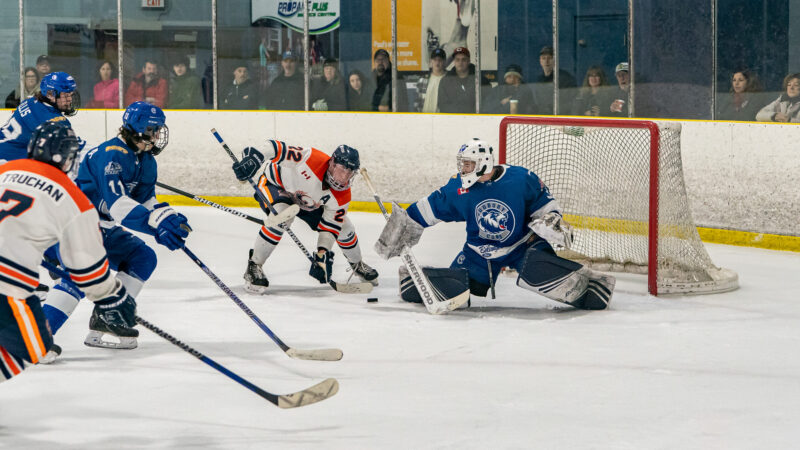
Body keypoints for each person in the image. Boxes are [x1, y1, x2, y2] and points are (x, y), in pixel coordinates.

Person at [379, 139, 615, 311]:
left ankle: (592, 285)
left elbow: (544, 205)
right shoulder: (459, 189)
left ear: (483, 163)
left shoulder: (521, 179)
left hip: (522, 245)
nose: (463, 169)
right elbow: (429, 207)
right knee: (456, 290)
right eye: (463, 164)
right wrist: (402, 225)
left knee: (540, 273)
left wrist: (551, 220)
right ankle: (415, 278)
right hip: (479, 253)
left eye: (469, 164)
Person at [41, 101, 191, 352]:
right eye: (154, 129)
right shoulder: (111, 153)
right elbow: (119, 206)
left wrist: (168, 218)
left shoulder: (146, 161)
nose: (158, 135)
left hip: (98, 226)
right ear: (140, 129)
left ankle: (108, 317)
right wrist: (155, 227)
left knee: (142, 258)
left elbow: (146, 200)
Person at [0, 121, 137, 382]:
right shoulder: (73, 197)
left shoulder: (6, 168)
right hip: (6, 285)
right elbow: (88, 271)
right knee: (33, 346)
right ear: (68, 157)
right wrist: (114, 296)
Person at [230, 141, 379, 292]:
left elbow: (331, 225)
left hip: (306, 202)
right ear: (333, 163)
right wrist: (254, 158)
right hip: (275, 186)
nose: (345, 177)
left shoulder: (343, 195)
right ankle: (254, 266)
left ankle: (357, 264)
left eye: (350, 173)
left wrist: (322, 255)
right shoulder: (310, 158)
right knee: (283, 215)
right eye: (343, 170)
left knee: (345, 227)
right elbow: (275, 148)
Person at [0, 71, 80, 164]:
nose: (70, 99)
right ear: (50, 94)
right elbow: (71, 149)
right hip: (6, 161)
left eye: (71, 94)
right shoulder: (56, 122)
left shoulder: (29, 101)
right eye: (65, 95)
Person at [437, 47, 489, 114]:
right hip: (453, 120)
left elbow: (487, 103)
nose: (460, 62)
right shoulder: (445, 81)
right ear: (454, 61)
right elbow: (443, 106)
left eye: (463, 59)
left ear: (469, 61)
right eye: (457, 60)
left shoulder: (481, 79)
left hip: (474, 120)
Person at [532, 46, 577, 115]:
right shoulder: (539, 79)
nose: (546, 61)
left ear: (555, 60)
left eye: (550, 58)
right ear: (540, 61)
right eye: (543, 58)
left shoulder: (565, 78)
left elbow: (570, 102)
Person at [416, 48, 448, 113]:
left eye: (440, 60)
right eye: (435, 60)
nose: (437, 62)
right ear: (431, 61)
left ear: (444, 62)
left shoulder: (450, 80)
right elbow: (417, 103)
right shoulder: (422, 80)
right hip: (424, 118)